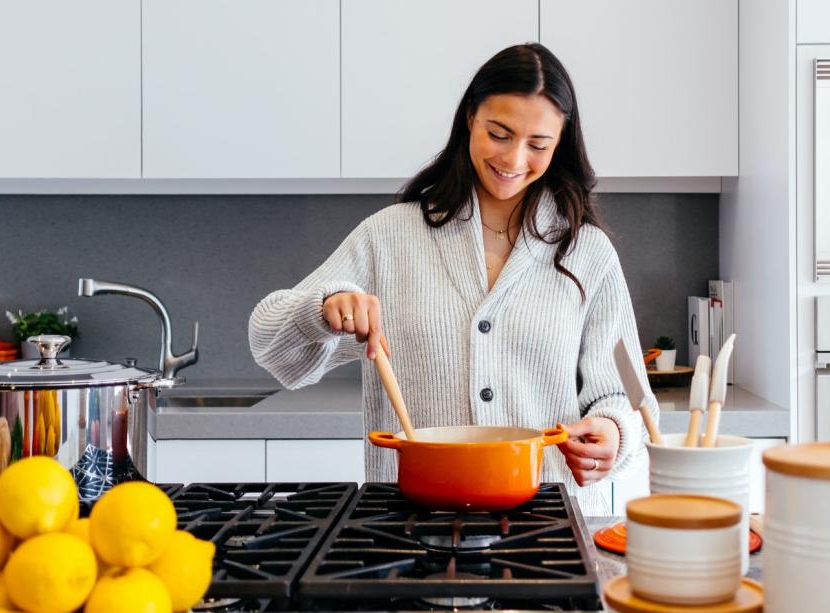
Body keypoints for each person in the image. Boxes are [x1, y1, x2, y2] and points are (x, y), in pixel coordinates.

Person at [248, 43, 657, 515]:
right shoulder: (391, 235)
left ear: (560, 143)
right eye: (499, 133)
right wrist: (321, 309)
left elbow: (624, 395)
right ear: (469, 118)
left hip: (545, 526)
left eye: (538, 144)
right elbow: (269, 344)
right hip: (406, 525)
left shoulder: (586, 251)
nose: (515, 158)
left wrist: (611, 432)